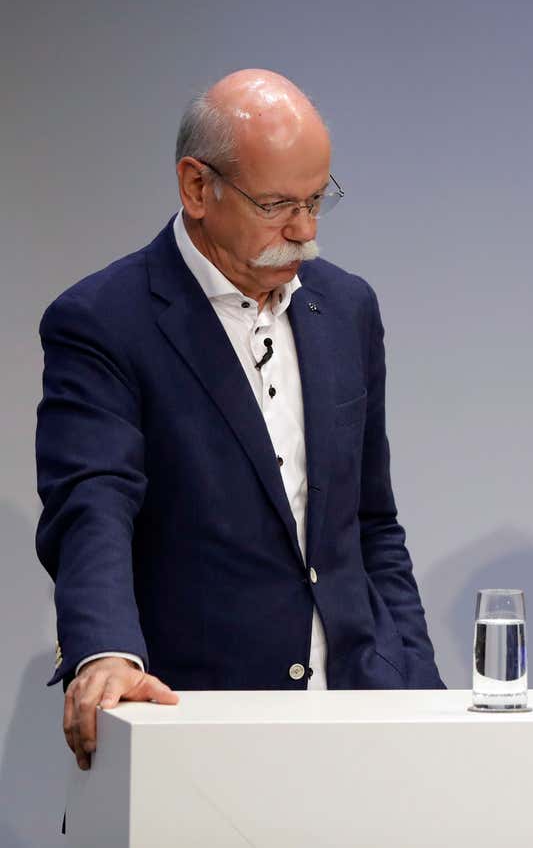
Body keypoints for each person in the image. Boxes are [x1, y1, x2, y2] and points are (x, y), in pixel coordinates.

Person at [37, 69, 444, 771]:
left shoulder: (348, 308)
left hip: (364, 712)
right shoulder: (104, 322)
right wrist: (103, 649)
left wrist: (418, 683)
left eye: (319, 200)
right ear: (198, 188)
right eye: (279, 204)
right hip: (197, 723)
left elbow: (370, 522)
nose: (306, 231)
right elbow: (93, 504)